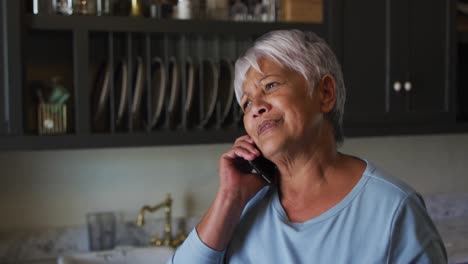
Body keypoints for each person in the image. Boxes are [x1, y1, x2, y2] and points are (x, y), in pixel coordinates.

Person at [168, 29, 447, 263]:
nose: (256, 108)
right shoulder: (240, 207)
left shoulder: (394, 209)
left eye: (270, 86)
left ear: (325, 93)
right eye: (247, 103)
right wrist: (229, 197)